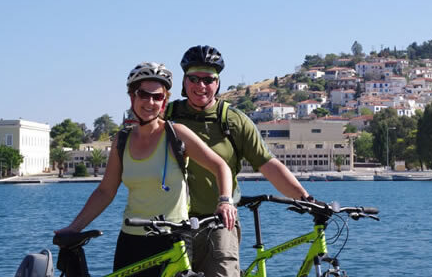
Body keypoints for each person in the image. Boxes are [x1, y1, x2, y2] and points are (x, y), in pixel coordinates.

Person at [55, 62, 237, 276]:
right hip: (130, 240)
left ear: (164, 101)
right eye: (144, 94)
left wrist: (225, 201)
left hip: (172, 238)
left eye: (158, 97)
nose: (150, 102)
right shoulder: (121, 140)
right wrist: (74, 227)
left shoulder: (176, 134)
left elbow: (220, 166)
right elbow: (105, 191)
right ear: (132, 97)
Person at [165, 45, 311, 277]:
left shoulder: (234, 121)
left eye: (208, 79)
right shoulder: (165, 116)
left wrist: (305, 198)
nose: (201, 86)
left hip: (218, 221)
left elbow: (268, 165)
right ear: (184, 81)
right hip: (170, 223)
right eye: (194, 79)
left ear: (218, 83)